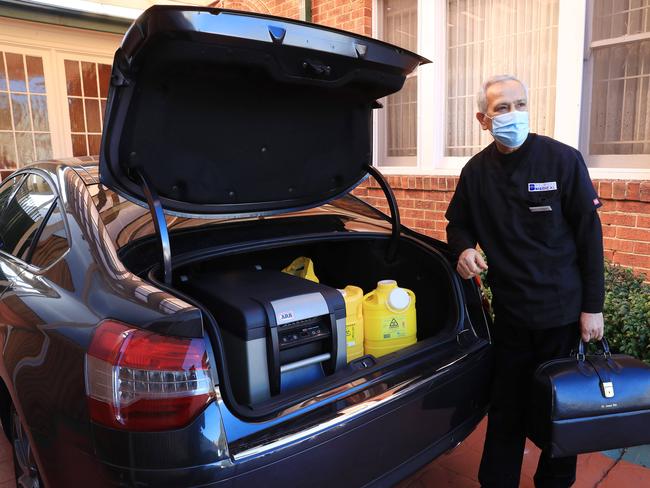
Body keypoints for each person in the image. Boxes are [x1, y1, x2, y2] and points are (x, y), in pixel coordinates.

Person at [445, 75, 605, 488]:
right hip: (512, 317)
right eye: (501, 108)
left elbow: (590, 237)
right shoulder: (476, 173)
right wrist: (463, 249)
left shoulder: (562, 161)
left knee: (558, 409)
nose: (513, 114)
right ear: (483, 119)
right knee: (507, 410)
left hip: (563, 316)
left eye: (520, 104)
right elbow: (457, 223)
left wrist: (593, 307)